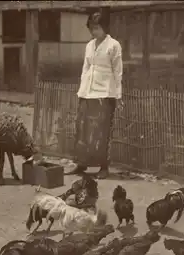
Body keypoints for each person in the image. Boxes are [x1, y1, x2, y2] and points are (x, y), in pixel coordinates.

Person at [65, 11, 124, 179]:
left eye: (97, 28)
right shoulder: (89, 45)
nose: (94, 32)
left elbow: (118, 72)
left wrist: (117, 96)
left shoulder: (114, 45)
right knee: (83, 128)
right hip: (87, 92)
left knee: (101, 131)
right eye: (91, 28)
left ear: (105, 27)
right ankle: (81, 164)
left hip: (104, 93)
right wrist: (81, 90)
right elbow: (85, 68)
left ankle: (103, 167)